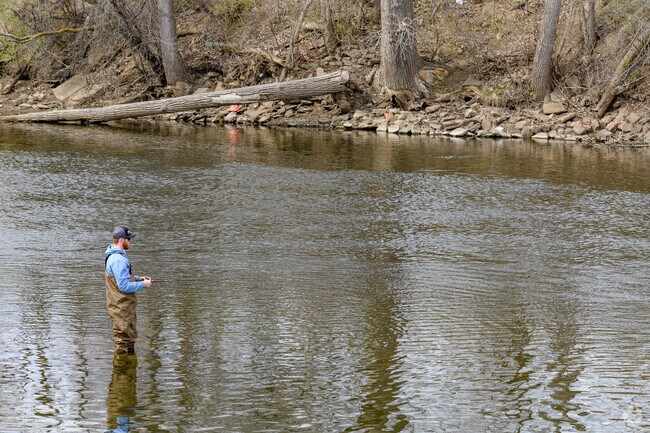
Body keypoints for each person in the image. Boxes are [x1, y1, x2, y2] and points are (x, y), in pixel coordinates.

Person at [104, 226, 152, 354]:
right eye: (128, 239)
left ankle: (127, 369)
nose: (130, 242)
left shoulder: (114, 255)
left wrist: (137, 278)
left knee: (127, 338)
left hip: (120, 306)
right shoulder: (118, 260)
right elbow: (124, 286)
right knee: (123, 341)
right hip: (121, 308)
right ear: (121, 240)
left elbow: (120, 277)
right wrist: (144, 285)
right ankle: (122, 369)